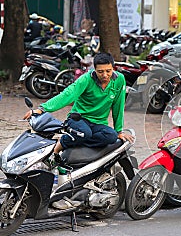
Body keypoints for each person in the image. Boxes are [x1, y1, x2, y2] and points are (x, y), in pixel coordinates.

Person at [23, 53, 134, 207]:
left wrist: (119, 130)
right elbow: (67, 95)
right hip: (77, 119)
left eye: (108, 71)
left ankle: (77, 144)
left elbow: (118, 105)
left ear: (113, 68)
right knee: (84, 133)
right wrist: (42, 109)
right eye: (101, 71)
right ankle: (63, 143)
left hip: (98, 122)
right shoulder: (86, 79)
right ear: (94, 69)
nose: (105, 75)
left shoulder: (119, 80)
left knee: (111, 137)